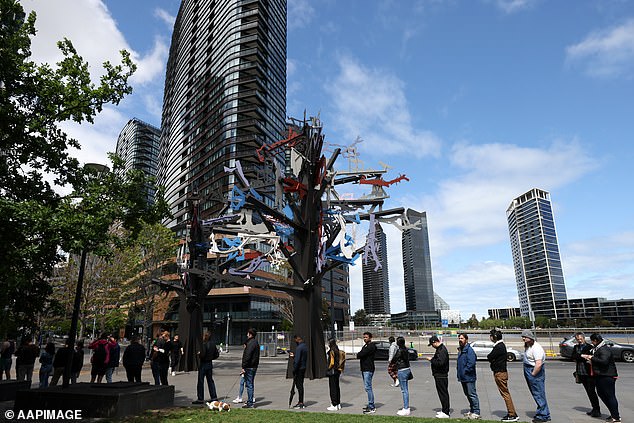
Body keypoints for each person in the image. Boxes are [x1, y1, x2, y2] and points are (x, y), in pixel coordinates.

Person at [582, 333, 620, 423]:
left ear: (595, 341)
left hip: (607, 376)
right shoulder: (599, 348)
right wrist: (592, 361)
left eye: (592, 341)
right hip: (601, 375)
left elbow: (604, 361)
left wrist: (591, 357)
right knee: (602, 394)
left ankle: (616, 417)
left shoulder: (603, 349)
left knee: (609, 396)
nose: (591, 343)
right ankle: (614, 414)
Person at [487, 329, 519, 422]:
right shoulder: (499, 346)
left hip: (500, 373)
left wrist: (492, 360)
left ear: (495, 337)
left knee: (505, 394)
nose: (490, 337)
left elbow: (490, 356)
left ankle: (512, 414)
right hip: (500, 372)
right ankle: (512, 412)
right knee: (505, 393)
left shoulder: (499, 346)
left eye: (491, 335)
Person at [521, 329, 551, 423]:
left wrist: (533, 374)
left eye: (525, 337)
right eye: (523, 337)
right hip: (529, 369)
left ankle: (544, 415)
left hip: (534, 370)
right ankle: (542, 412)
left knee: (538, 393)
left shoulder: (536, 348)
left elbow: (538, 364)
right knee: (536, 393)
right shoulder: (528, 345)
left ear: (530, 337)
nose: (523, 339)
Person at [571, 332, 600, 417]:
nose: (579, 341)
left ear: (584, 338)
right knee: (588, 392)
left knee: (592, 392)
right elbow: (573, 356)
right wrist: (582, 356)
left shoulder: (589, 347)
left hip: (589, 373)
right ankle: (594, 408)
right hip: (580, 372)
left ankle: (597, 410)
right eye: (577, 339)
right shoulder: (576, 347)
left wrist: (580, 356)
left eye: (581, 339)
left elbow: (589, 357)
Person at [426, 335, 450, 418]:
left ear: (435, 342)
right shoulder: (440, 349)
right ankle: (444, 410)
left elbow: (440, 363)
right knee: (442, 393)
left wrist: (431, 360)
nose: (432, 346)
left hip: (441, 375)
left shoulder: (441, 350)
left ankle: (446, 412)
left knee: (443, 393)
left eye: (432, 345)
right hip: (440, 375)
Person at [457, 333, 480, 420]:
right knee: (467, 394)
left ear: (466, 339)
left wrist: (465, 371)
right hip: (463, 377)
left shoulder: (469, 350)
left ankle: (476, 412)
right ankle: (472, 410)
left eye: (462, 338)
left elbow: (471, 363)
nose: (460, 340)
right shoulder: (461, 350)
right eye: (459, 338)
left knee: (472, 394)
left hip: (469, 377)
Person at [193, 332, 219, 405]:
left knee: (200, 381)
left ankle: (200, 398)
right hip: (209, 363)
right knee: (210, 381)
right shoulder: (213, 344)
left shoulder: (204, 344)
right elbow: (216, 354)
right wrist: (211, 358)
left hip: (203, 364)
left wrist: (199, 354)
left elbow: (203, 354)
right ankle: (214, 397)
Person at [391, 336, 412, 416]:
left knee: (404, 390)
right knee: (405, 389)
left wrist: (393, 362)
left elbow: (394, 359)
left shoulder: (400, 350)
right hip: (407, 369)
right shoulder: (406, 349)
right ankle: (406, 407)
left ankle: (406, 408)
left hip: (402, 369)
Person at [357, 331, 377, 414]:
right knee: (367, 387)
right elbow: (360, 354)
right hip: (365, 368)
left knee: (368, 387)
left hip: (368, 369)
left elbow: (360, 354)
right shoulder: (366, 346)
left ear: (370, 338)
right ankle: (370, 404)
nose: (364, 338)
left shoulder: (370, 346)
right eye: (364, 337)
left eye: (366, 337)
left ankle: (372, 406)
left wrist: (360, 354)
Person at [241, 328, 260, 409]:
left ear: (250, 334)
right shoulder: (255, 343)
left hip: (249, 366)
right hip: (254, 366)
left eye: (247, 333)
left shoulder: (251, 343)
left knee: (249, 384)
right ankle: (250, 401)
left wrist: (243, 367)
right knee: (250, 384)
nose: (246, 335)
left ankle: (250, 403)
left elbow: (247, 356)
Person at [290, 334, 308, 409]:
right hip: (303, 367)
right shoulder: (305, 346)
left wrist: (294, 369)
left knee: (299, 385)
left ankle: (301, 402)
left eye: (295, 340)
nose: (295, 342)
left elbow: (297, 361)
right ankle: (301, 401)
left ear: (297, 339)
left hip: (299, 369)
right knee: (301, 385)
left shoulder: (299, 348)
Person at [326, 338, 343, 411]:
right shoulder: (337, 350)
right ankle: (338, 403)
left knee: (332, 388)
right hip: (337, 371)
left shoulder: (332, 351)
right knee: (337, 387)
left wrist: (328, 368)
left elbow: (331, 362)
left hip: (332, 371)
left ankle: (334, 404)